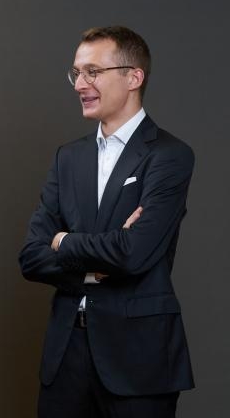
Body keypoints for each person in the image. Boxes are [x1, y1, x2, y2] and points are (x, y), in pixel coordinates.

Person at [19, 26, 194, 418]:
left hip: (138, 362)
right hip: (65, 358)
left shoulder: (170, 156)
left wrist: (64, 242)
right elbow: (30, 256)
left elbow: (133, 253)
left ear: (134, 77)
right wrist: (93, 269)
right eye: (77, 73)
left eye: (93, 72)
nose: (80, 84)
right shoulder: (68, 158)